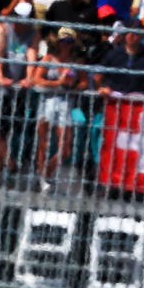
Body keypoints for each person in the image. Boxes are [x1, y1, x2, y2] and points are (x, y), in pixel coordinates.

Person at [33, 26, 86, 193]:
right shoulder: (49, 59)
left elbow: (85, 83)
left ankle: (45, 173)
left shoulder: (77, 62)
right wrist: (57, 84)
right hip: (47, 101)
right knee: (44, 143)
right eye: (63, 40)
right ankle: (42, 178)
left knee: (65, 148)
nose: (65, 44)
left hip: (65, 103)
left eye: (69, 41)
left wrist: (73, 86)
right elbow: (37, 79)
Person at [0, 2, 38, 180]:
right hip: (1, 85)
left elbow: (31, 57)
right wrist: (0, 76)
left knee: (5, 132)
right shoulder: (5, 29)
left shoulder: (33, 33)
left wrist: (29, 77)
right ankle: (10, 163)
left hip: (18, 88)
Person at [94, 18, 144, 94]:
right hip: (114, 101)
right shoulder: (113, 53)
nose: (130, 35)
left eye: (135, 33)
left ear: (142, 35)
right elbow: (98, 77)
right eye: (128, 32)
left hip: (137, 101)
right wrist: (102, 89)